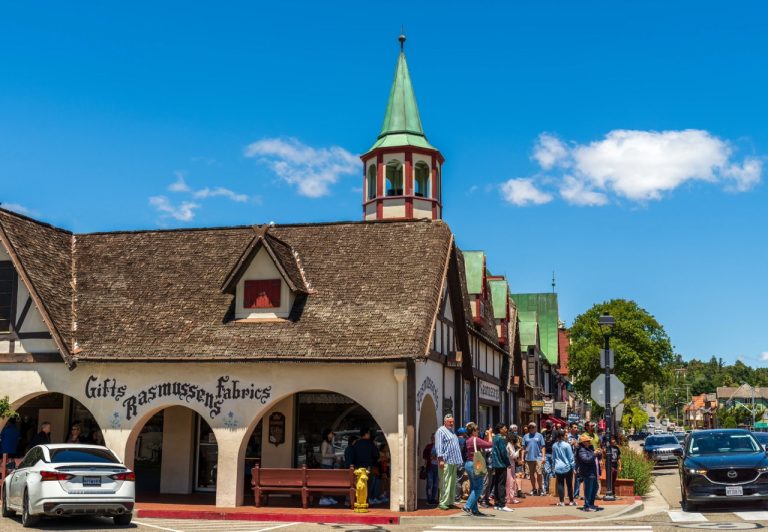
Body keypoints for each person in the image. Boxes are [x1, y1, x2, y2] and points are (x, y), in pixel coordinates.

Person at [462, 422, 493, 517]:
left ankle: (474, 509)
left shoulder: (468, 440)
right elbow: (490, 445)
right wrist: (490, 434)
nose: (479, 431)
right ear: (473, 431)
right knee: (479, 487)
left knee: (473, 488)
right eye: (477, 429)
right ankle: (467, 506)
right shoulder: (475, 439)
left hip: (468, 463)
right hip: (476, 464)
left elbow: (481, 444)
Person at [434, 414, 463, 511]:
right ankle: (443, 502)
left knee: (452, 483)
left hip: (454, 461)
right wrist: (440, 459)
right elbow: (439, 446)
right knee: (445, 482)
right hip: (446, 461)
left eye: (452, 422)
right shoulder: (441, 431)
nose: (451, 423)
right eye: (450, 421)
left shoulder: (451, 431)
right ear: (445, 421)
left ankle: (450, 502)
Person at [350, 427, 381, 504]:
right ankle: (366, 501)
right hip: (367, 468)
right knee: (367, 485)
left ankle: (358, 501)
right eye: (369, 433)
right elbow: (376, 455)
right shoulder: (370, 443)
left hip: (358, 468)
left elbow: (352, 455)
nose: (370, 435)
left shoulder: (356, 443)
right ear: (366, 433)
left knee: (359, 485)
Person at [575, 434, 603, 512]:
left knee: (595, 488)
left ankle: (591, 504)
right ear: (583, 442)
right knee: (588, 489)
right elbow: (586, 460)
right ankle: (587, 506)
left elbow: (596, 458)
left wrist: (599, 453)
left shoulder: (589, 448)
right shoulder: (581, 450)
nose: (589, 441)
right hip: (587, 472)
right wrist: (594, 454)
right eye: (587, 441)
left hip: (593, 472)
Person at [489, 423, 512, 511]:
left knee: (497, 483)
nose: (506, 430)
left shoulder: (494, 438)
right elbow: (503, 452)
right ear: (500, 429)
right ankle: (502, 504)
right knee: (501, 484)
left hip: (495, 463)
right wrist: (507, 462)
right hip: (501, 463)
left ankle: (497, 503)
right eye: (504, 428)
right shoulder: (501, 439)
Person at [552, 430, 576, 506]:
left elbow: (553, 457)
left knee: (560, 484)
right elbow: (571, 458)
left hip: (558, 467)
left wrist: (553, 466)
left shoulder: (554, 445)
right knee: (569, 484)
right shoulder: (567, 445)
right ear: (562, 436)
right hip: (567, 467)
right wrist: (573, 467)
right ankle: (571, 501)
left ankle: (561, 501)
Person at [521, 422, 545, 496]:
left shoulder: (540, 435)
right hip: (529, 458)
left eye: (533, 427)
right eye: (530, 427)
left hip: (538, 457)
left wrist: (543, 457)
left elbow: (543, 446)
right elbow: (523, 448)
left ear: (536, 427)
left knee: (539, 473)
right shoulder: (525, 436)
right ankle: (534, 488)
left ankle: (540, 488)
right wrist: (522, 458)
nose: (531, 428)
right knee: (531, 475)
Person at [505, 430, 521, 506]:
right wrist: (519, 450)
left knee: (511, 481)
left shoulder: (509, 444)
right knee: (510, 482)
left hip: (511, 464)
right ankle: (510, 498)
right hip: (510, 465)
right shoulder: (509, 445)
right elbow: (513, 455)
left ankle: (510, 497)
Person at [422, 433, 439, 505]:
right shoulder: (428, 446)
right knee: (430, 483)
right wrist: (429, 459)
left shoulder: (440, 447)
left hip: (437, 467)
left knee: (435, 484)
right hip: (430, 466)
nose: (433, 439)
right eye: (432, 437)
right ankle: (428, 499)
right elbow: (424, 456)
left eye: (434, 438)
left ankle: (433, 499)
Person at [455, 427, 468, 502]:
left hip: (453, 461)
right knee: (459, 479)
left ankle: (455, 496)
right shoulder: (464, 441)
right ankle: (457, 497)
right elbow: (465, 452)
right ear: (463, 433)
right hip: (461, 461)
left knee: (455, 479)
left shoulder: (455, 440)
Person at [542, 420, 555, 494]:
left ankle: (551, 487)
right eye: (547, 424)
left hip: (553, 454)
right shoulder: (543, 433)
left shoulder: (555, 433)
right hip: (546, 453)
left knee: (553, 472)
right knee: (547, 471)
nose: (548, 426)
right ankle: (546, 487)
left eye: (549, 424)